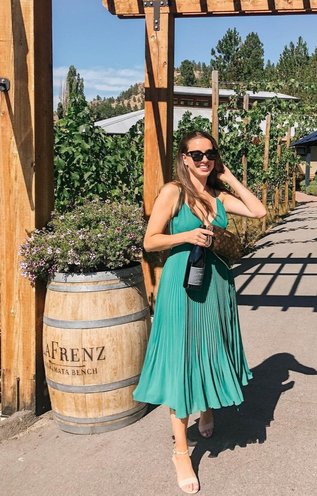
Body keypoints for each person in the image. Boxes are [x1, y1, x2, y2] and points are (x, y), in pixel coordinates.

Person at [134, 130, 267, 494]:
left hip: (217, 286)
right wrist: (186, 236)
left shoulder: (219, 196)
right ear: (184, 158)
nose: (204, 159)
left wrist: (229, 177)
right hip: (182, 287)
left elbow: (259, 211)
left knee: (210, 348)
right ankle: (180, 452)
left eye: (210, 153)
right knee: (182, 359)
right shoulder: (173, 192)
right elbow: (150, 241)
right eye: (196, 154)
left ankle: (206, 408)